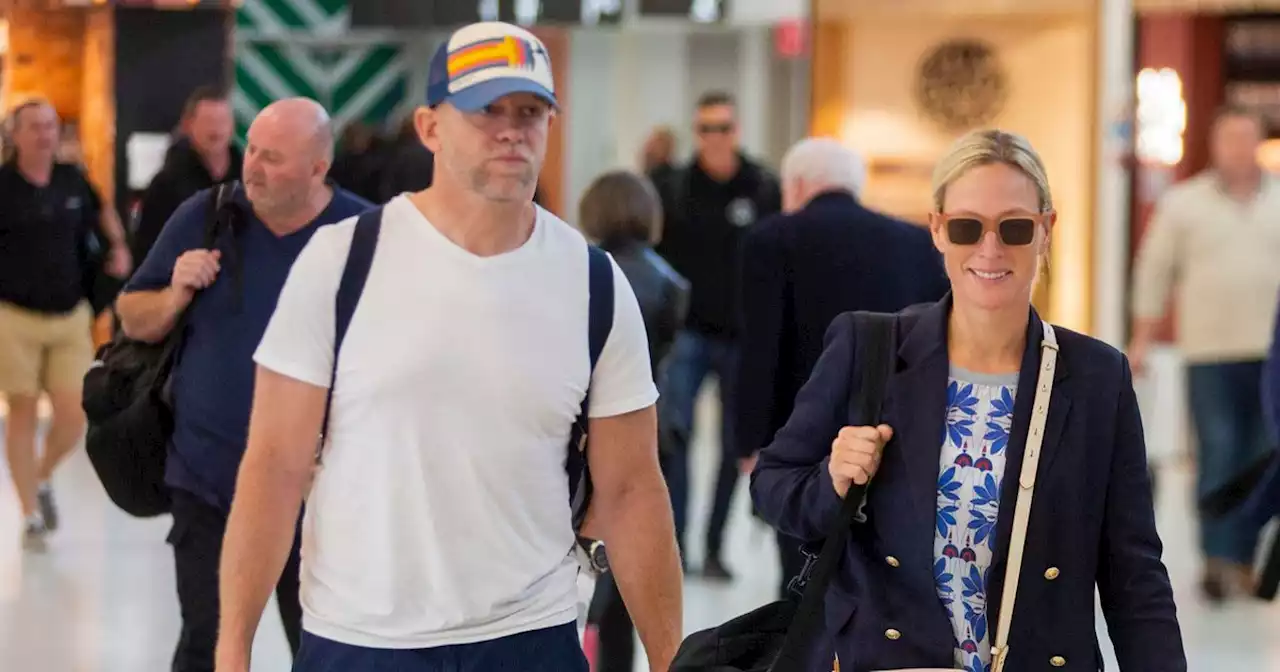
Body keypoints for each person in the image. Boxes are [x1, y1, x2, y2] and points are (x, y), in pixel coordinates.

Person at [213, 21, 683, 672]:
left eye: (530, 111)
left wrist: (670, 659)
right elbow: (274, 465)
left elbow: (632, 489)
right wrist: (233, 646)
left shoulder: (593, 283)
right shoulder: (343, 262)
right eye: (486, 111)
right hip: (363, 636)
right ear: (430, 127)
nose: (511, 130)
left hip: (532, 635)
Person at [751, 129, 1186, 671]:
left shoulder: (1096, 376)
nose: (990, 248)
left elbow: (1134, 572)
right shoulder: (870, 347)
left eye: (1015, 227)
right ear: (936, 229)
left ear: (1046, 230)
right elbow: (772, 486)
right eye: (966, 226)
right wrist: (832, 479)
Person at [115, 97, 371, 672]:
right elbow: (131, 314)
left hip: (321, 496)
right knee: (207, 643)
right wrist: (176, 292)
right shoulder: (205, 216)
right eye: (250, 148)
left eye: (272, 157)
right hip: (208, 482)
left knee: (325, 649)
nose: (251, 166)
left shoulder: (365, 235)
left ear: (317, 168)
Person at [735, 137, 950, 602]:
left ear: (796, 185)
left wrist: (751, 441)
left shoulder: (772, 239)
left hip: (802, 434)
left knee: (802, 574)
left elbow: (759, 348)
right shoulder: (915, 243)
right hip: (899, 433)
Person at [1129, 105, 1280, 602]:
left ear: (1258, 140)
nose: (1237, 147)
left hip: (1271, 353)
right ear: (1213, 144)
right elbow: (1154, 271)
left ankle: (1245, 559)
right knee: (1218, 449)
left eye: (1245, 136)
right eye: (1227, 138)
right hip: (1210, 351)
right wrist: (1142, 338)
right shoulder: (1183, 202)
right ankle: (1216, 561)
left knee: (1264, 456)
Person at [652, 90, 782, 579]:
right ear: (696, 133)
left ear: (737, 131)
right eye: (706, 129)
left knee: (734, 448)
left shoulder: (762, 187)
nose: (715, 138)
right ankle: (679, 545)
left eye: (723, 128)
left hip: (742, 338)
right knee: (679, 441)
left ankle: (712, 548)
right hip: (688, 335)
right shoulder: (676, 188)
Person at [0, 96, 131, 550]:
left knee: (74, 414)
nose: (44, 134)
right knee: (20, 409)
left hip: (70, 313)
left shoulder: (72, 179)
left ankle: (41, 475)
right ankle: (30, 513)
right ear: (15, 135)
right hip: (13, 315)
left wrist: (118, 246)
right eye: (34, 126)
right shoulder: (3, 185)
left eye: (51, 126)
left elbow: (103, 213)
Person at [578, 170, 689, 672]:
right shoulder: (671, 282)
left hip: (590, 429)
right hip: (653, 425)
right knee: (640, 559)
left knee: (591, 559)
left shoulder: (582, 274)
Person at [131, 85, 242, 267]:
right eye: (208, 121)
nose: (216, 130)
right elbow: (146, 252)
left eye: (222, 121)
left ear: (232, 125)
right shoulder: (166, 184)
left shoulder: (250, 178)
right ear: (188, 125)